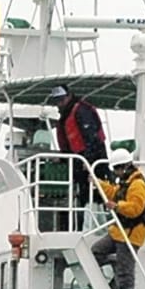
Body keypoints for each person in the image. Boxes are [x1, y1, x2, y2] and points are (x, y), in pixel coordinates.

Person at [92, 148, 145, 289]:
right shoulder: (127, 182)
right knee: (96, 251)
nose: (116, 174)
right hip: (120, 231)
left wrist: (117, 206)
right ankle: (113, 278)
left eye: (117, 169)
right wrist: (99, 183)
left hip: (130, 234)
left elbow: (136, 208)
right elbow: (114, 192)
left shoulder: (137, 184)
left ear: (124, 167)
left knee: (125, 270)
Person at [51, 83, 108, 227]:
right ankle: (87, 224)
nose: (59, 104)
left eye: (62, 100)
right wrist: (63, 158)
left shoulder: (82, 111)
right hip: (79, 162)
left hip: (93, 161)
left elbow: (92, 138)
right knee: (84, 195)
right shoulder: (65, 117)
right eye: (57, 101)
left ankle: (96, 225)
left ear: (69, 96)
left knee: (95, 195)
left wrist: (88, 161)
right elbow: (69, 145)